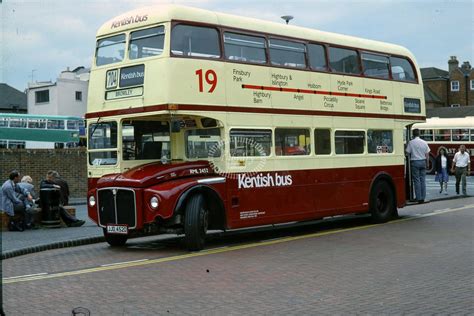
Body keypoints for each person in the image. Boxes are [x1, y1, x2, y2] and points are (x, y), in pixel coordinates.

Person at [406, 129, 430, 203]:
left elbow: (407, 152)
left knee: (416, 180)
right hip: (423, 161)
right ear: (419, 134)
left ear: (413, 134)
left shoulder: (411, 142)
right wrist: (427, 163)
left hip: (415, 162)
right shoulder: (424, 142)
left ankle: (418, 197)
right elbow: (427, 154)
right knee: (423, 180)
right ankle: (423, 197)